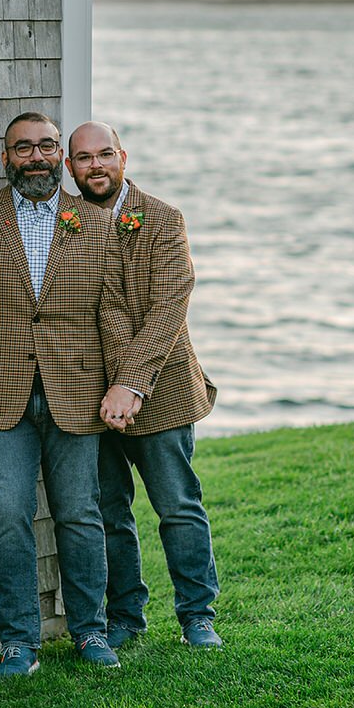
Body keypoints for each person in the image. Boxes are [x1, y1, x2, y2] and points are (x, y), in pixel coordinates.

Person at [0, 111, 130, 677]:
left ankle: (90, 632)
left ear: (60, 159)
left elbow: (111, 311)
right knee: (9, 513)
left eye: (48, 147)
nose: (38, 157)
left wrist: (124, 381)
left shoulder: (92, 221)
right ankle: (18, 642)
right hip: (0, 400)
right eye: (24, 149)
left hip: (78, 394)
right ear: (7, 158)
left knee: (80, 515)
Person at [66, 121, 222, 650]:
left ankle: (198, 615)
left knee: (178, 505)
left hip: (163, 391)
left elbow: (168, 308)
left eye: (104, 154)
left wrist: (130, 385)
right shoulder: (65, 224)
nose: (96, 166)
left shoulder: (161, 219)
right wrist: (101, 389)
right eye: (83, 158)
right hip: (89, 400)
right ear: (71, 168)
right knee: (110, 511)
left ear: (123, 157)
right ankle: (126, 617)